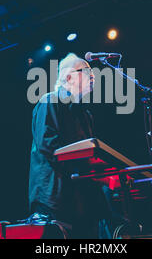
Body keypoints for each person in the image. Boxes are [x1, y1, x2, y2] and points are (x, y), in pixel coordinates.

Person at [28, 53, 111, 238]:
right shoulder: (49, 101)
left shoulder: (85, 115)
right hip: (55, 199)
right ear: (67, 77)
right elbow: (48, 144)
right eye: (86, 71)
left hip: (82, 200)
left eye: (93, 72)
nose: (93, 76)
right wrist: (86, 166)